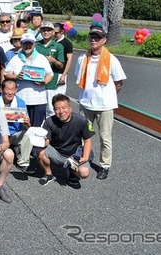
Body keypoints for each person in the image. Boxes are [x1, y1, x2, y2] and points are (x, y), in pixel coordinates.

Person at [74, 26, 126, 180]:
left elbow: (119, 83)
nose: (93, 40)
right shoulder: (82, 59)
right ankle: (83, 160)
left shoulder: (112, 60)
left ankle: (104, 165)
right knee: (82, 136)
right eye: (91, 37)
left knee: (105, 137)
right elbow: (81, 77)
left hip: (105, 106)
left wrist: (107, 97)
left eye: (97, 37)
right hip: (85, 103)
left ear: (104, 40)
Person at [38, 94, 94, 189]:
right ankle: (48, 174)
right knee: (39, 151)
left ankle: (72, 173)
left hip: (74, 154)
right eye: (57, 109)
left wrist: (85, 157)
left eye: (64, 108)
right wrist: (40, 139)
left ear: (70, 108)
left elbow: (87, 140)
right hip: (57, 153)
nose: (61, 111)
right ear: (54, 110)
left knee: (84, 172)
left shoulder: (82, 121)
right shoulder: (49, 122)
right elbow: (46, 142)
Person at [4, 33, 53, 127]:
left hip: (38, 100)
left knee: (36, 128)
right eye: (25, 43)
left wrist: (44, 81)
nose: (28, 46)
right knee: (20, 127)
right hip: (20, 99)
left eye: (30, 43)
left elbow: (50, 74)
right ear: (21, 44)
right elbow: (6, 73)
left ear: (34, 44)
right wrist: (16, 77)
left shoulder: (41, 58)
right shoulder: (15, 58)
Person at [0, 79, 33, 173]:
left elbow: (27, 126)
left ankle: (23, 163)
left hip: (13, 133)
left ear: (16, 90)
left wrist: (27, 123)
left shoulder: (21, 102)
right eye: (7, 89)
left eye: (12, 89)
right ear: (1, 90)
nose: (10, 92)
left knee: (29, 133)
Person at [34, 21, 65, 117]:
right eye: (44, 30)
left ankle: (50, 129)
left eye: (48, 30)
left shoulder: (58, 46)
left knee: (50, 109)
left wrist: (53, 60)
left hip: (51, 82)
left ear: (53, 32)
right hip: (35, 81)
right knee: (37, 108)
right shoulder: (35, 45)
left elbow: (61, 65)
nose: (46, 32)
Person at [53, 22, 73, 94]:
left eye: (55, 33)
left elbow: (69, 60)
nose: (53, 34)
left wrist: (64, 75)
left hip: (61, 73)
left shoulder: (67, 43)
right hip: (52, 73)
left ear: (62, 32)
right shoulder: (53, 41)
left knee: (59, 96)